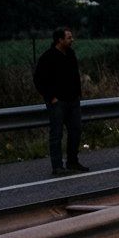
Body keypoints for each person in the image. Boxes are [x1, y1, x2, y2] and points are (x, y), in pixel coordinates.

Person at [32, 27, 88, 176]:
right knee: (56, 134)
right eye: (69, 38)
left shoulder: (70, 54)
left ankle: (72, 161)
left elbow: (75, 75)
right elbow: (38, 79)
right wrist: (51, 97)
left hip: (73, 100)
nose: (72, 40)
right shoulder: (48, 57)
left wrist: (77, 94)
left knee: (75, 131)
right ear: (60, 40)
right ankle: (57, 166)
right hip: (58, 101)